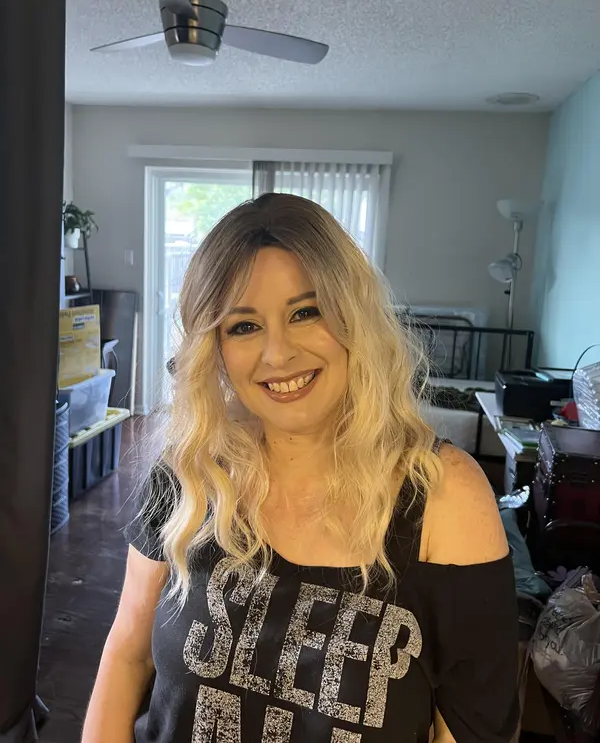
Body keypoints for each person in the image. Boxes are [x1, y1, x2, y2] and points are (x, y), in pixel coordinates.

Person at [82, 193, 519, 743]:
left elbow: (473, 726)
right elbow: (127, 655)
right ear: (215, 349)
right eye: (243, 326)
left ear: (354, 318)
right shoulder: (190, 472)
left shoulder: (443, 495)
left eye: (306, 312)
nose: (277, 354)